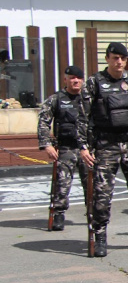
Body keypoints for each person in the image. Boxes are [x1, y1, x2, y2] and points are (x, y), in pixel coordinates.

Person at [77, 42, 128, 257]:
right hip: (106, 146)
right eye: (115, 58)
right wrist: (83, 147)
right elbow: (82, 118)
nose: (119, 62)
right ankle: (100, 237)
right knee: (102, 195)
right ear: (107, 59)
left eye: (122, 58)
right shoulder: (94, 83)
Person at [38, 65, 90, 231]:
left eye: (79, 78)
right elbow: (43, 122)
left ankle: (93, 213)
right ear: (65, 80)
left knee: (92, 184)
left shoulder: (90, 99)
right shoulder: (56, 99)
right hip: (66, 148)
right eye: (72, 78)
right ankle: (58, 214)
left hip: (88, 149)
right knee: (62, 184)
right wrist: (46, 144)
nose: (76, 81)